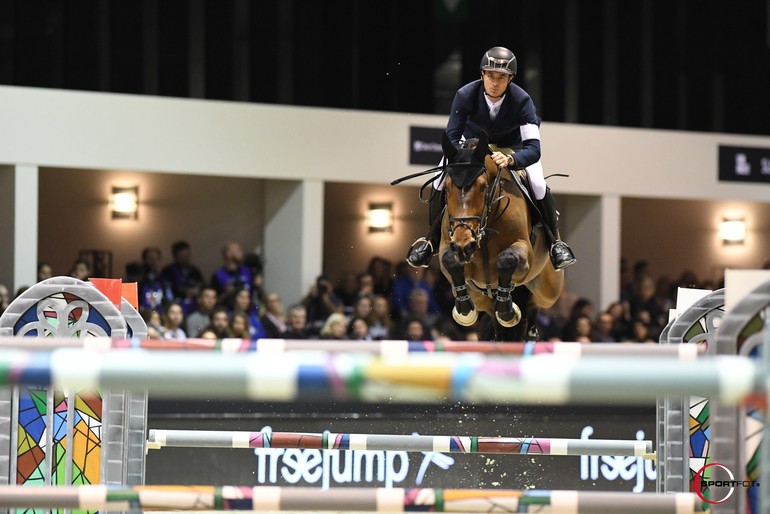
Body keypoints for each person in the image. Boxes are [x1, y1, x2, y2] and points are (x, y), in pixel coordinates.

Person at [405, 46, 576, 271]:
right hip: (472, 147)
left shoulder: (522, 100)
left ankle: (555, 243)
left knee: (537, 183)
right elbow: (453, 136)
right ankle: (431, 241)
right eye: (491, 76)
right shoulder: (465, 94)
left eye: (502, 77)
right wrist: (464, 158)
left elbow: (533, 148)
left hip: (511, 148)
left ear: (510, 79)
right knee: (439, 178)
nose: (495, 82)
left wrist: (512, 161)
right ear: (482, 75)